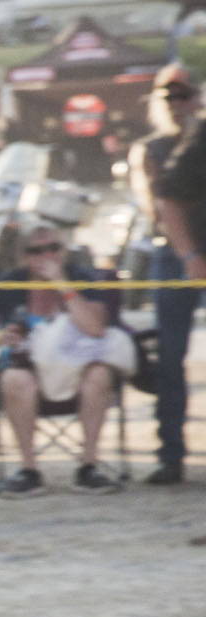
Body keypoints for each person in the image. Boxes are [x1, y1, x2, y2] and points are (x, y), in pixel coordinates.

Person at [0, 227, 130, 497]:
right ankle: (29, 470)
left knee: (100, 375)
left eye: (53, 248)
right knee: (14, 378)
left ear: (64, 251)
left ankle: (89, 467)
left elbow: (95, 328)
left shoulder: (83, 278)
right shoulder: (12, 283)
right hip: (28, 368)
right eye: (35, 251)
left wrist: (62, 284)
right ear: (23, 256)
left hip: (78, 367)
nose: (46, 256)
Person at [137, 63, 202, 485]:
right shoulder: (153, 148)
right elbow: (159, 205)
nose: (176, 104)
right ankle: (170, 454)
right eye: (168, 97)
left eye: (183, 95)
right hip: (174, 254)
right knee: (170, 355)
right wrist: (189, 252)